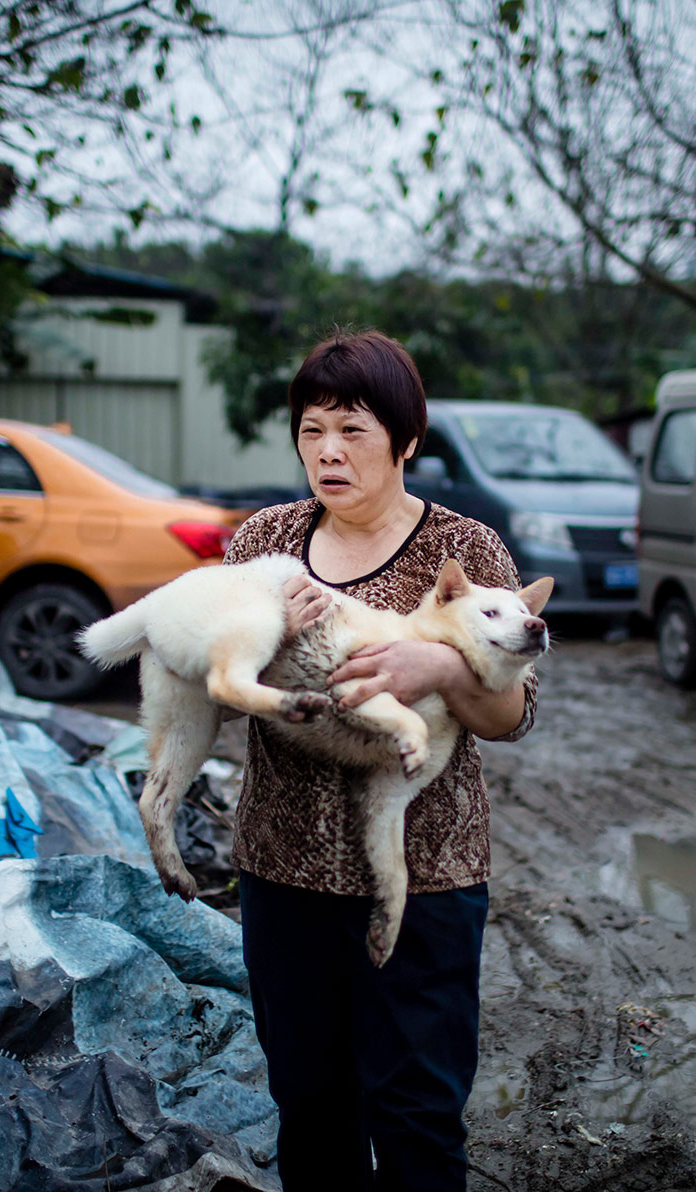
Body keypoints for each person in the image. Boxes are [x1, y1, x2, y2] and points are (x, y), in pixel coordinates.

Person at [222, 328, 539, 1191]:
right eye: (311, 429)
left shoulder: (466, 553)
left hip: (425, 879)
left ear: (405, 441)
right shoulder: (266, 542)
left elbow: (513, 717)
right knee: (310, 1106)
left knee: (416, 1114)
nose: (327, 451)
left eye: (353, 430)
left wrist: (442, 663)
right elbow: (211, 672)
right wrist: (252, 639)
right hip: (283, 872)